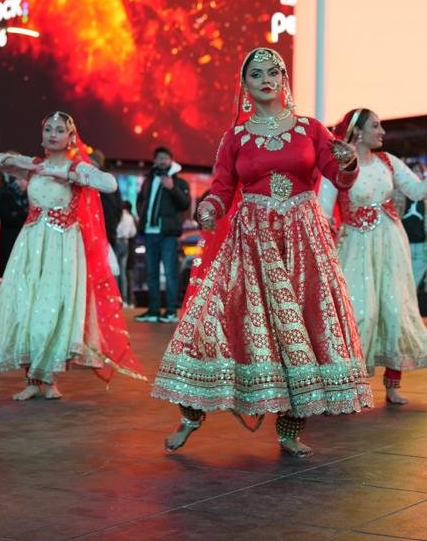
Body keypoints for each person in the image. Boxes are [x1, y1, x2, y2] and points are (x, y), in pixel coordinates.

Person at [151, 47, 367, 458]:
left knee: (304, 326)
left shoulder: (310, 129)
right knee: (216, 318)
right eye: (256, 74)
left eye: (273, 72)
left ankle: (290, 430)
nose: (266, 79)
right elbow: (222, 188)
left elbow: (338, 178)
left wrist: (349, 162)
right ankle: (190, 415)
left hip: (303, 238)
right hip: (251, 237)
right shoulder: (235, 137)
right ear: (245, 85)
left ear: (284, 78)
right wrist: (210, 209)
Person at [0, 112, 143, 399]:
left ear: (70, 137)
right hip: (31, 245)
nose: (52, 134)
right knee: (25, 306)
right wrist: (16, 161)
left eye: (59, 130)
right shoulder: (34, 166)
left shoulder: (77, 168)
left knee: (53, 308)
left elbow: (109, 184)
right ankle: (31, 381)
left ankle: (50, 379)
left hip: (63, 247)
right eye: (48, 130)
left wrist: (68, 175)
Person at [322, 108, 427, 405]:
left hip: (391, 244)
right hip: (355, 246)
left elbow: (418, 191)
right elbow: (322, 209)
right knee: (360, 312)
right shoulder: (338, 166)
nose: (382, 132)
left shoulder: (388, 162)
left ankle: (393, 385)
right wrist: (324, 230)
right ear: (358, 132)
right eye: (376, 126)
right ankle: (346, 383)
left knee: (395, 311)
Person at [136, 146, 192, 323]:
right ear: (155, 160)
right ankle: (153, 311)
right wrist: (142, 215)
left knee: (170, 273)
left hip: (168, 233)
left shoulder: (180, 182)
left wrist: (172, 188)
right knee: (151, 273)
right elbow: (140, 200)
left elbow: (185, 204)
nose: (162, 161)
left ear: (171, 160)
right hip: (150, 232)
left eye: (165, 158)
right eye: (159, 158)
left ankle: (171, 311)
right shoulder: (149, 180)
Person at [0, 171, 28, 275]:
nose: (23, 183)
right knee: (10, 270)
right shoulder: (5, 194)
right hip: (9, 238)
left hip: (27, 238)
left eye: (25, 180)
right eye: (19, 179)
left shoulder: (32, 196)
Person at [397, 160, 427, 290]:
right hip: (405, 242)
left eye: (419, 172)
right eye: (414, 171)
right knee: (403, 277)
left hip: (422, 243)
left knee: (414, 281)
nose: (417, 174)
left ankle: (409, 298)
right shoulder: (400, 194)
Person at [115, 200, 137, 305]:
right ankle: (125, 299)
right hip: (126, 242)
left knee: (116, 270)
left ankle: (116, 297)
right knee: (123, 272)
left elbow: (115, 229)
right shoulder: (130, 217)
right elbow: (133, 232)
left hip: (117, 241)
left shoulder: (119, 215)